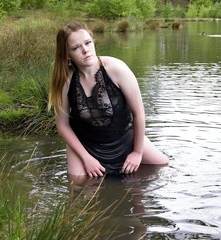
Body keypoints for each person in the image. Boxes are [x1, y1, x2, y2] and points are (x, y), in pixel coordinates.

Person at [49, 21, 169, 178]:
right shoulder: (65, 79)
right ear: (66, 54)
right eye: (76, 48)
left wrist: (137, 153)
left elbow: (138, 113)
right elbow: (62, 125)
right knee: (77, 185)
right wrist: (86, 158)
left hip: (124, 138)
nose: (85, 50)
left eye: (87, 43)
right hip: (84, 144)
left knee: (162, 166)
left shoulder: (117, 69)